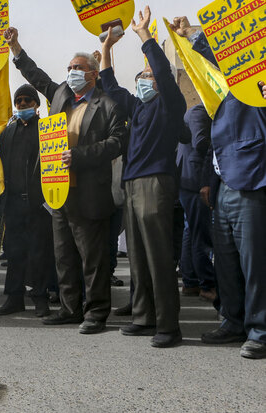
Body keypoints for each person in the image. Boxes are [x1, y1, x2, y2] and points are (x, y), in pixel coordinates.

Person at [4, 27, 127, 334]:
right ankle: (70, 308)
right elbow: (37, 76)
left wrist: (81, 155)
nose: (71, 72)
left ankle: (96, 312)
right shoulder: (61, 95)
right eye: (69, 68)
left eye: (78, 68)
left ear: (93, 75)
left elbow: (118, 141)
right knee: (64, 255)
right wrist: (16, 48)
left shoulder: (107, 104)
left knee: (93, 260)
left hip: (89, 193)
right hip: (58, 191)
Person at [170, 16, 266, 359]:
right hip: (223, 184)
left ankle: (260, 331)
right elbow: (207, 57)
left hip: (253, 181)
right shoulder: (220, 92)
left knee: (254, 264)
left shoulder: (257, 85)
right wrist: (191, 35)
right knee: (225, 260)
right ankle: (233, 322)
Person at [98, 6, 188, 347]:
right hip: (132, 185)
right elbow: (109, 85)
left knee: (158, 256)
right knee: (136, 255)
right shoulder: (137, 108)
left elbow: (164, 71)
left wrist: (143, 34)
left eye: (148, 76)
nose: (144, 80)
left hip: (155, 182)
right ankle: (144, 316)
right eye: (142, 76)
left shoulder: (170, 104)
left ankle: (169, 326)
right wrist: (106, 49)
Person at [0, 84, 53, 318]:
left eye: (28, 100)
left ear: (36, 104)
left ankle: (40, 298)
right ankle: (14, 298)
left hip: (39, 204)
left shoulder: (46, 129)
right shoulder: (8, 131)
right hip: (13, 204)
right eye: (19, 101)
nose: (22, 104)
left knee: (39, 253)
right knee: (14, 253)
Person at [176, 104, 216, 302]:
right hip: (195, 179)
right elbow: (201, 142)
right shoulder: (200, 112)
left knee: (191, 231)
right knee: (200, 233)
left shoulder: (197, 112)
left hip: (190, 178)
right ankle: (206, 284)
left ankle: (191, 281)